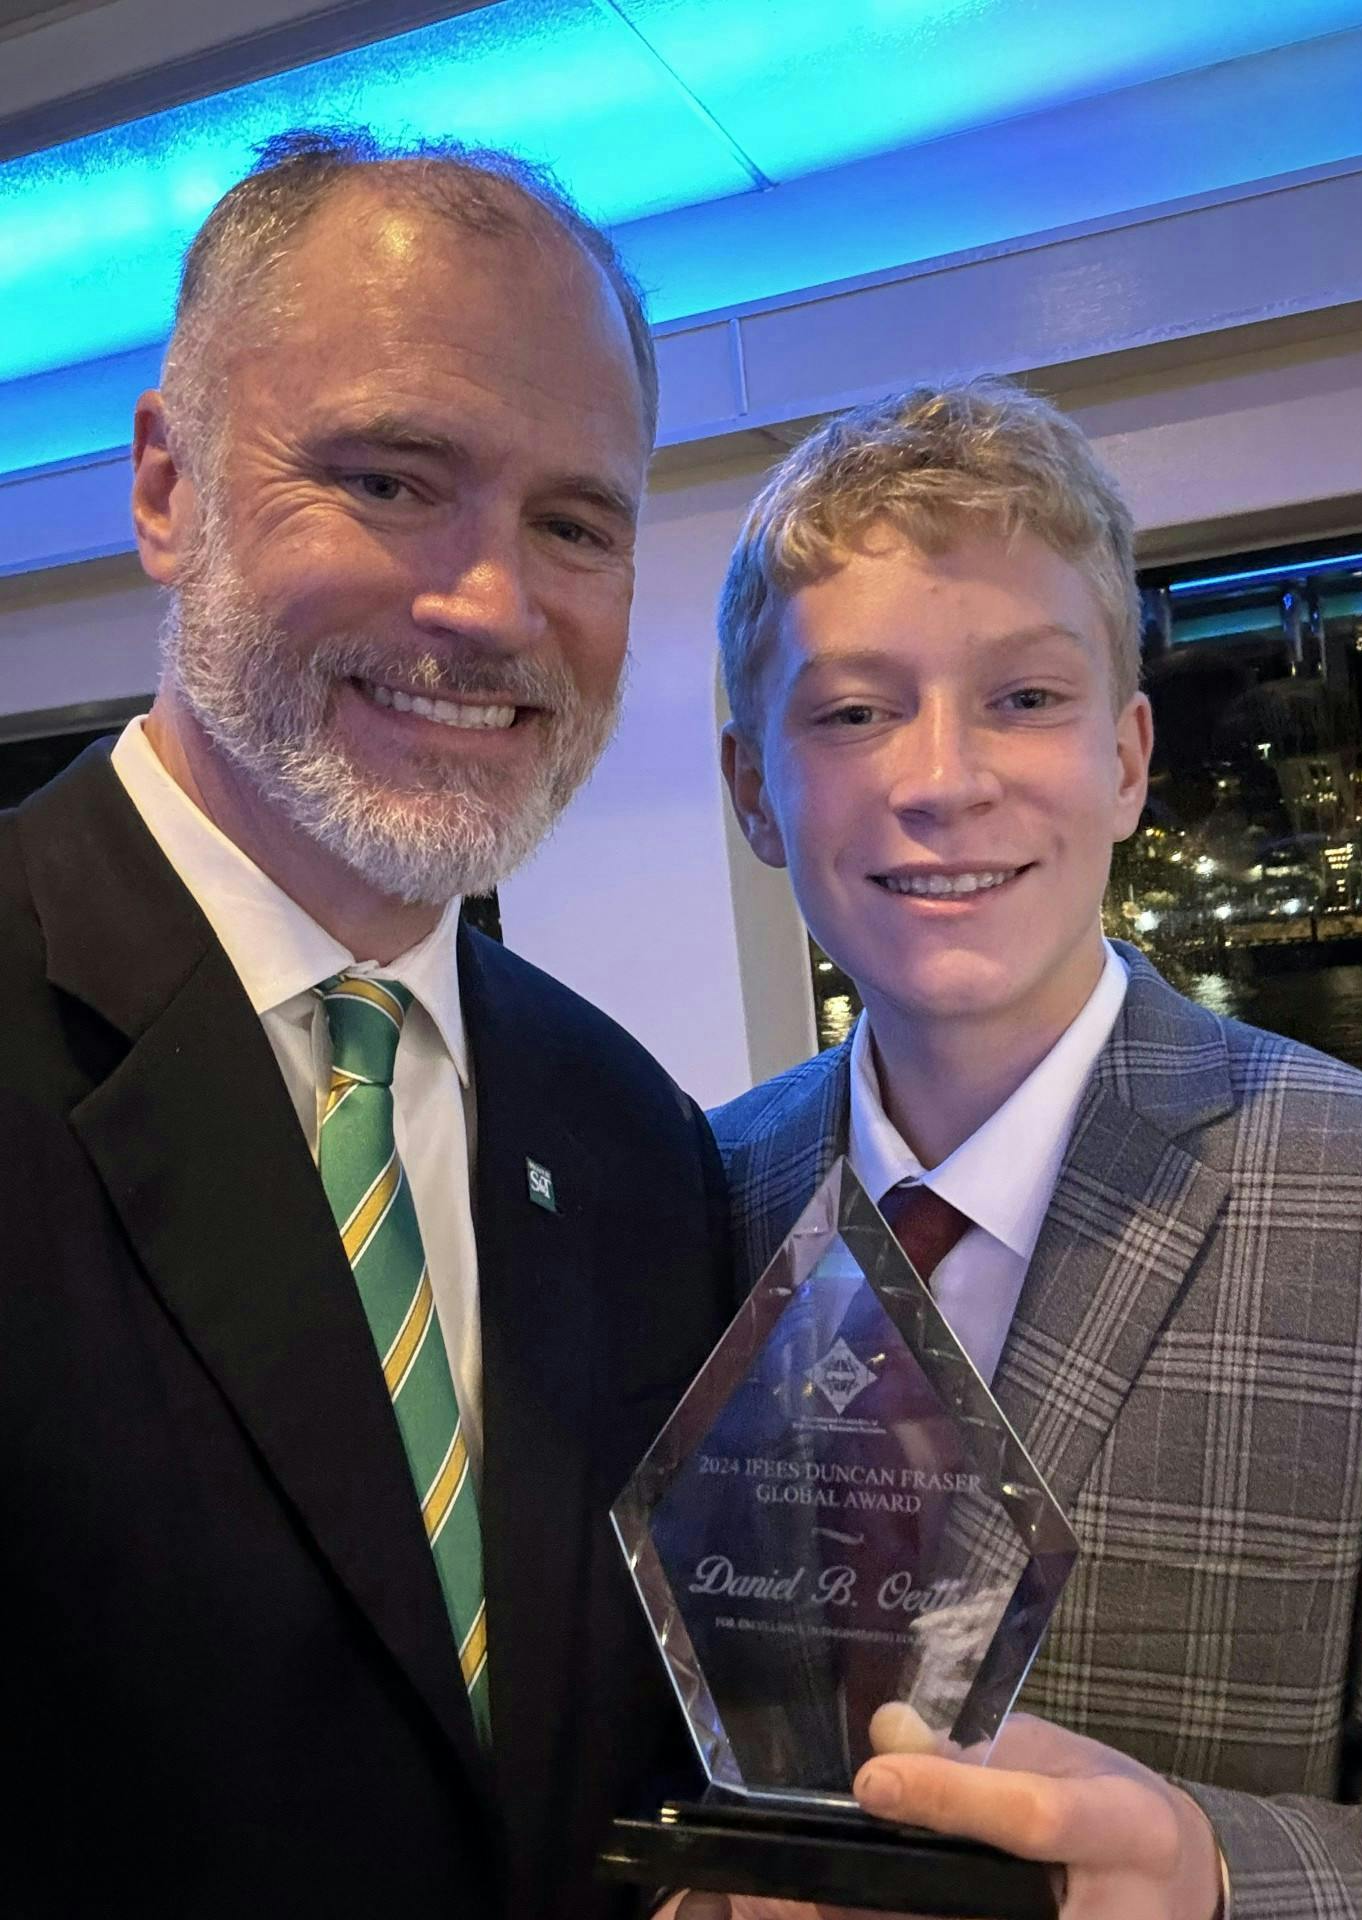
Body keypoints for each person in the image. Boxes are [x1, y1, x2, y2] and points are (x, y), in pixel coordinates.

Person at [0, 128, 734, 1919]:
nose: (489, 605)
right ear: (168, 488)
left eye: (574, 522)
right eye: (394, 482)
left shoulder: (637, 1140)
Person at [698, 381, 1362, 1919]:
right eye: (851, 711)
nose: (942, 777)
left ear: (1126, 757)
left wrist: (1218, 1874)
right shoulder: (685, 1200)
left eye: (1026, 698)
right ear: (753, 791)